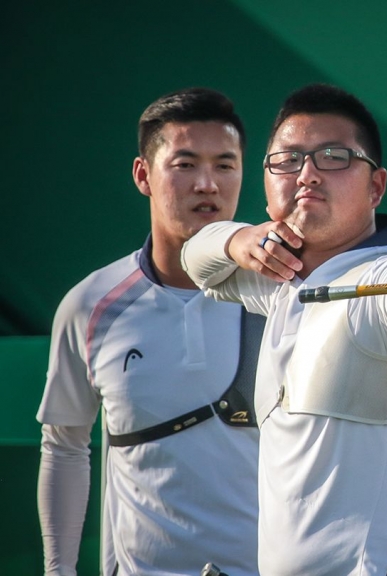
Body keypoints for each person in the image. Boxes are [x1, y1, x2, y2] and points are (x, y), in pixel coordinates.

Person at [180, 83, 387, 576]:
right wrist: (239, 238)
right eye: (288, 160)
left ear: (376, 187)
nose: (307, 175)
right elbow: (197, 256)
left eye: (334, 157)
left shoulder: (383, 280)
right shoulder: (280, 281)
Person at [36, 88, 260, 575]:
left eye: (225, 165)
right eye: (184, 164)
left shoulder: (283, 295)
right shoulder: (89, 305)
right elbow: (65, 446)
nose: (207, 184)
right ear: (143, 175)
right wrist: (59, 571)